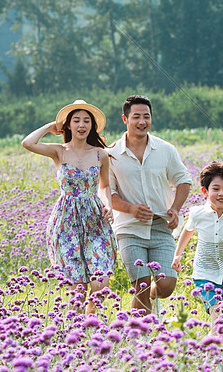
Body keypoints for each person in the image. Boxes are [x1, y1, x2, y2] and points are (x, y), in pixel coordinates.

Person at [21, 99, 116, 313]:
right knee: (77, 286)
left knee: (100, 284)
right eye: (76, 120)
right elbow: (27, 143)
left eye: (86, 121)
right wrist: (49, 127)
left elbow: (105, 185)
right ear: (68, 125)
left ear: (92, 126)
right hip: (66, 221)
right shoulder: (59, 151)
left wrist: (108, 205)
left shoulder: (101, 154)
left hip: (94, 219)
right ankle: (78, 332)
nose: (81, 125)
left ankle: (91, 317)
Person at [108, 95, 193, 314]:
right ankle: (140, 337)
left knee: (166, 285)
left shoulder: (165, 150)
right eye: (136, 117)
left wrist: (175, 208)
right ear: (125, 119)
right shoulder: (111, 154)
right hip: (128, 229)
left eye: (146, 116)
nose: (142, 122)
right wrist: (131, 208)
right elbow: (108, 194)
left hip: (161, 227)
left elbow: (183, 180)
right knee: (141, 283)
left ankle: (154, 299)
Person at [173, 161, 223, 322]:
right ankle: (213, 345)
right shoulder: (198, 213)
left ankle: (214, 345)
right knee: (218, 311)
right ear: (205, 191)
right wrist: (177, 255)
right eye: (215, 189)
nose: (221, 194)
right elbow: (188, 231)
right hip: (204, 274)